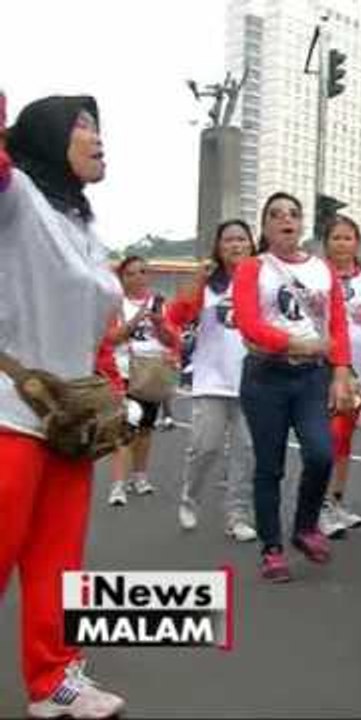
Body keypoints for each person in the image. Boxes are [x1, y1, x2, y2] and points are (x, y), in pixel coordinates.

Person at [0, 93, 126, 718]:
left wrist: (111, 389)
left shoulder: (83, 224)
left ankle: (53, 680)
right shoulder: (15, 194)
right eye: (82, 125)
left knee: (60, 561)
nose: (98, 136)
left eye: (99, 125)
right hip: (8, 413)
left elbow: (93, 323)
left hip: (69, 420)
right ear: (47, 135)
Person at [233, 191, 353, 582]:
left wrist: (339, 373)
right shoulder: (253, 268)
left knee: (321, 454)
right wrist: (293, 343)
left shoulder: (323, 270)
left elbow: (338, 326)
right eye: (277, 215)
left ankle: (304, 526)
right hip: (265, 376)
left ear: (302, 225)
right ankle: (271, 549)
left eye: (293, 214)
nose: (287, 220)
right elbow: (249, 324)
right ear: (265, 227)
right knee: (270, 466)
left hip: (311, 378)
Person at [166, 219, 257, 542]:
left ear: (251, 244)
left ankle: (238, 515)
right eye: (228, 240)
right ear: (218, 248)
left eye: (242, 240)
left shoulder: (263, 280)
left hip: (252, 382)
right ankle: (190, 498)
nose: (235, 245)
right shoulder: (208, 285)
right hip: (212, 381)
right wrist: (197, 280)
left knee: (246, 451)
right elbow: (176, 317)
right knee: (205, 447)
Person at [105, 255, 180, 506]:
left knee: (146, 428)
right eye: (131, 273)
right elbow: (112, 337)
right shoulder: (115, 304)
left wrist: (159, 324)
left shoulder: (160, 302)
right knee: (124, 429)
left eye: (143, 272)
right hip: (123, 370)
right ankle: (118, 484)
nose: (138, 278)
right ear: (122, 278)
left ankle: (140, 476)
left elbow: (172, 340)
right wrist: (137, 318)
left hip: (151, 371)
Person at [317, 213, 361, 538]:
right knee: (332, 436)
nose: (342, 243)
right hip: (329, 368)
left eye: (348, 237)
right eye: (336, 237)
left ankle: (336, 501)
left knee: (346, 439)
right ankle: (319, 506)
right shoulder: (316, 277)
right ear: (326, 243)